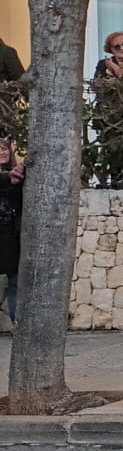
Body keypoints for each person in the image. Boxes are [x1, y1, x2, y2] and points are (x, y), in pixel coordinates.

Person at [0, 138, 22, 322]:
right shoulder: (7, 176)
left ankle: (18, 321)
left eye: (5, 148)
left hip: (11, 238)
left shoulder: (18, 174)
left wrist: (15, 180)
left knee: (15, 282)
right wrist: (9, 177)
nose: (2, 152)